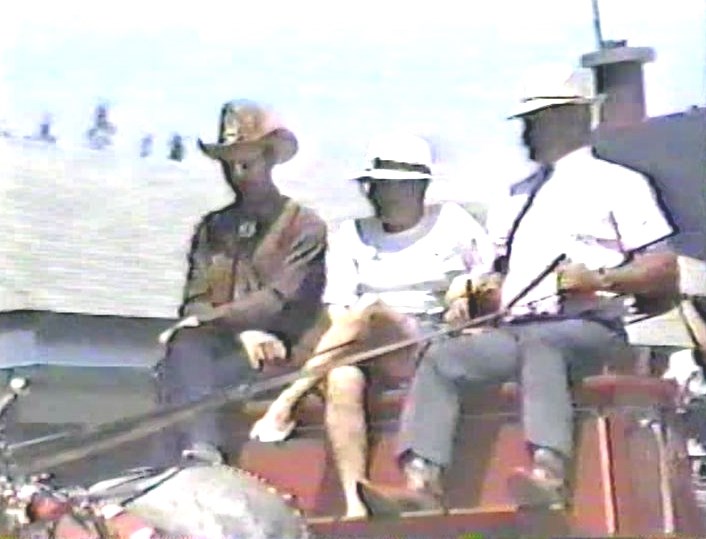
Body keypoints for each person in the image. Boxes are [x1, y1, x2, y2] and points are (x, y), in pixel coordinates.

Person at [358, 69, 680, 515]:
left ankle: (549, 473)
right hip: (519, 329)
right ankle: (421, 483)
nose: (526, 132)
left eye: (537, 121)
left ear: (572, 119)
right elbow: (497, 272)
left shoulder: (619, 184)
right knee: (442, 357)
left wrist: (601, 280)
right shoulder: (516, 195)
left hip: (591, 329)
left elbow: (663, 268)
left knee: (541, 343)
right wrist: (477, 291)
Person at [249, 132, 496, 518]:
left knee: (373, 310)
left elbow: (490, 279)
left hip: (430, 343)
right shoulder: (352, 235)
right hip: (363, 346)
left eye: (394, 185)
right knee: (343, 378)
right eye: (377, 185)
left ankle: (287, 399)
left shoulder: (452, 223)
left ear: (419, 187)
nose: (383, 194)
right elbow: (339, 307)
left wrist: (463, 291)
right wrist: (358, 332)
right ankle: (355, 502)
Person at [153, 99, 329, 466]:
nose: (237, 173)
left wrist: (221, 323)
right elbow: (195, 299)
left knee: (188, 362)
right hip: (228, 349)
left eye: (247, 162)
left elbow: (279, 299)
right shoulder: (213, 228)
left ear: (269, 160)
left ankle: (200, 453)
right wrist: (238, 333)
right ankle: (197, 451)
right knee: (184, 347)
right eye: (228, 164)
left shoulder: (304, 226)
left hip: (284, 352)